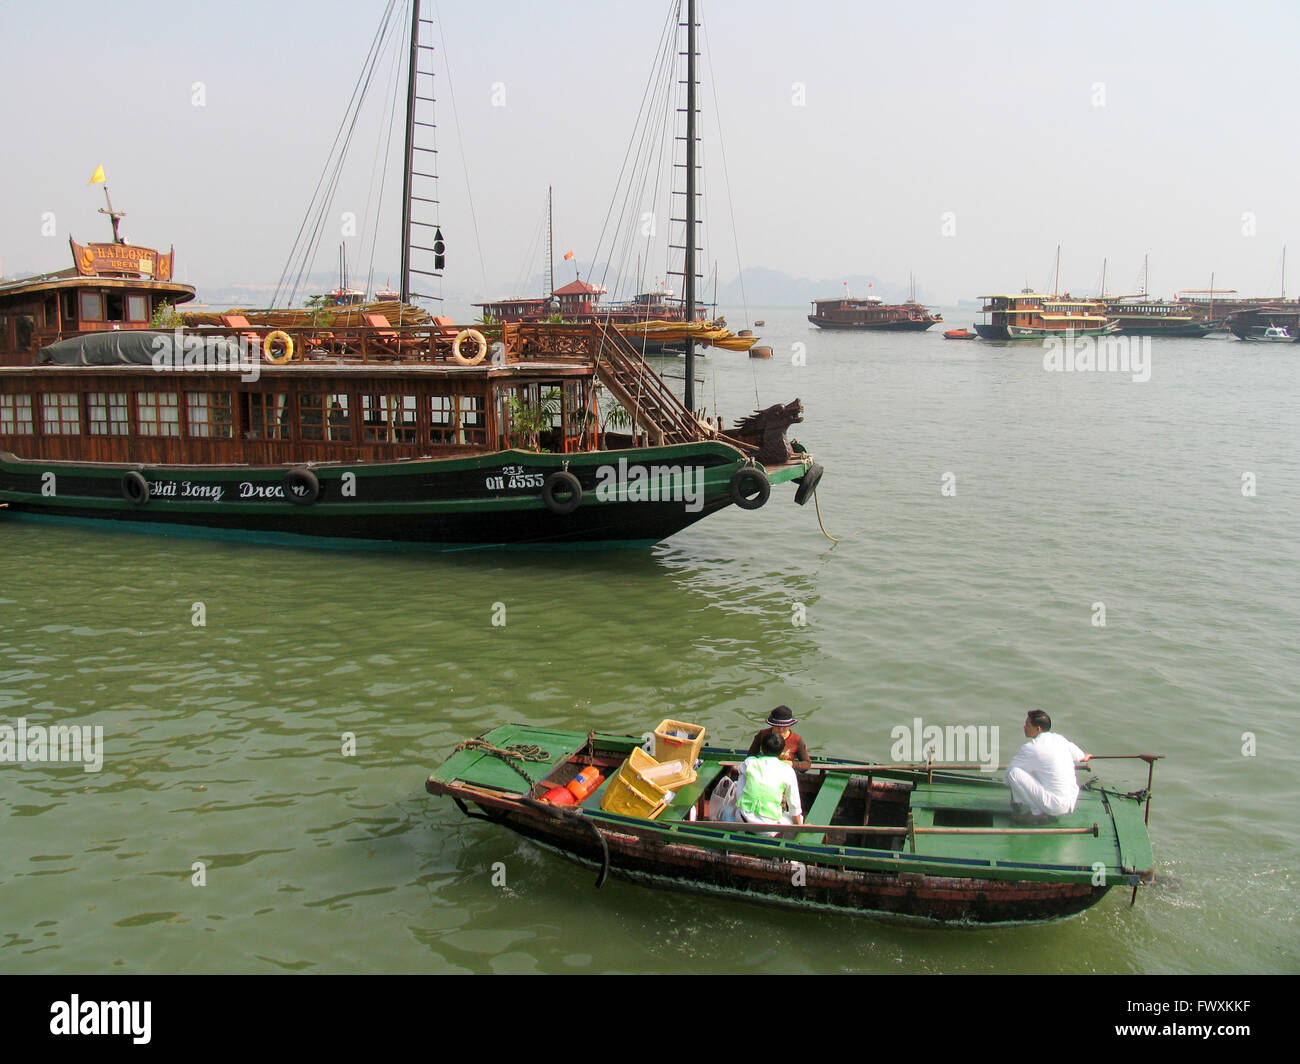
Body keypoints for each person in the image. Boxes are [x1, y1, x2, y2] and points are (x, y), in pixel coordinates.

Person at [1005, 709, 1091, 822]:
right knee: (1035, 768)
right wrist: (1086, 756)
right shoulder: (1059, 739)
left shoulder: (1030, 748)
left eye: (1027, 724)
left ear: (1038, 729)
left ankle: (1037, 812)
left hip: (1054, 805)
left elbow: (1007, 777)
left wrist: (1015, 797)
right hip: (1069, 803)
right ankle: (1039, 808)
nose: (1024, 727)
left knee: (1013, 773)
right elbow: (1081, 756)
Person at [735, 732, 804, 834]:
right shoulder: (788, 770)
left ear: (762, 749)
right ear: (781, 752)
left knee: (743, 775)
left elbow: (740, 773)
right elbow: (794, 805)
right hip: (768, 828)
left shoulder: (749, 762)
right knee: (799, 818)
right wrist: (800, 827)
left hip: (743, 818)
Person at [747, 705, 811, 771]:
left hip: (786, 773)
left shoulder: (797, 740)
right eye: (777, 726)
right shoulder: (762, 734)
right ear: (772, 724)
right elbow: (751, 755)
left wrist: (792, 764)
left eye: (784, 726)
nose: (781, 730)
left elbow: (807, 764)